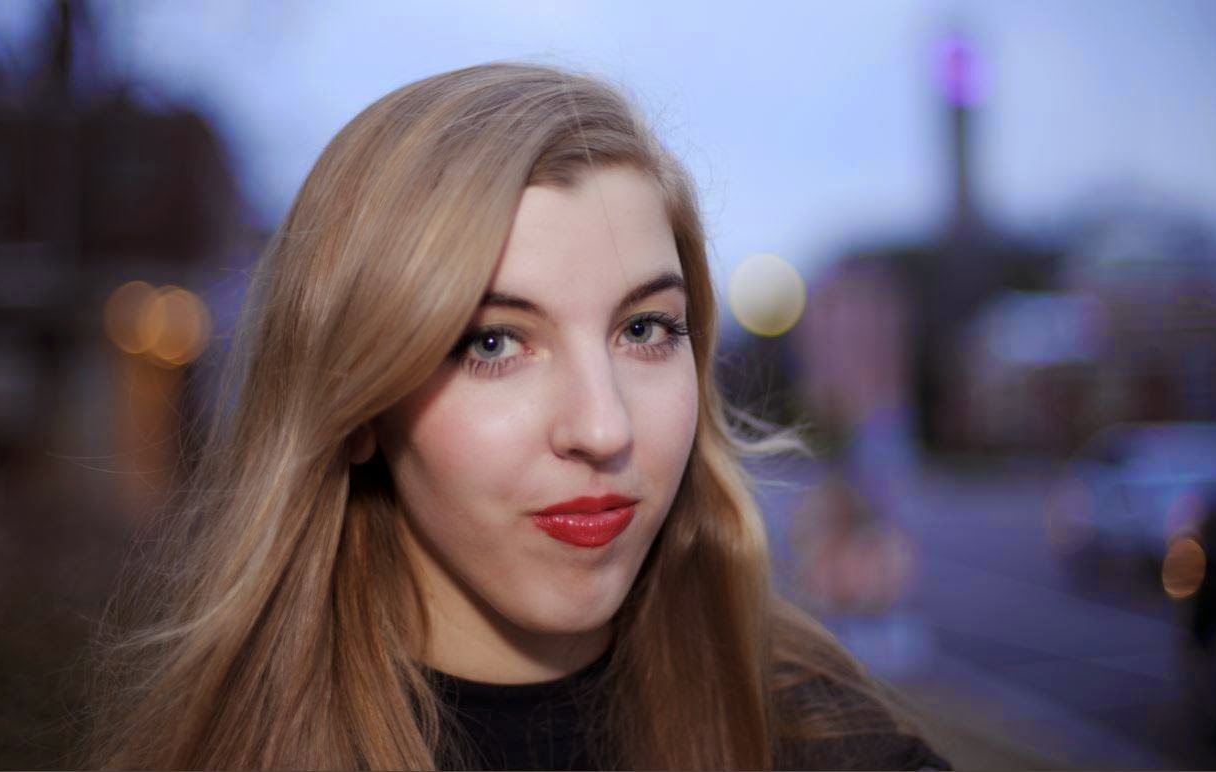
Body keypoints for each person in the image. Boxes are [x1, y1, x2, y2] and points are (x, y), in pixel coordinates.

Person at [86, 63, 949, 770]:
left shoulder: (835, 749)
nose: (603, 429)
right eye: (493, 342)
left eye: (644, 330)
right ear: (357, 406)